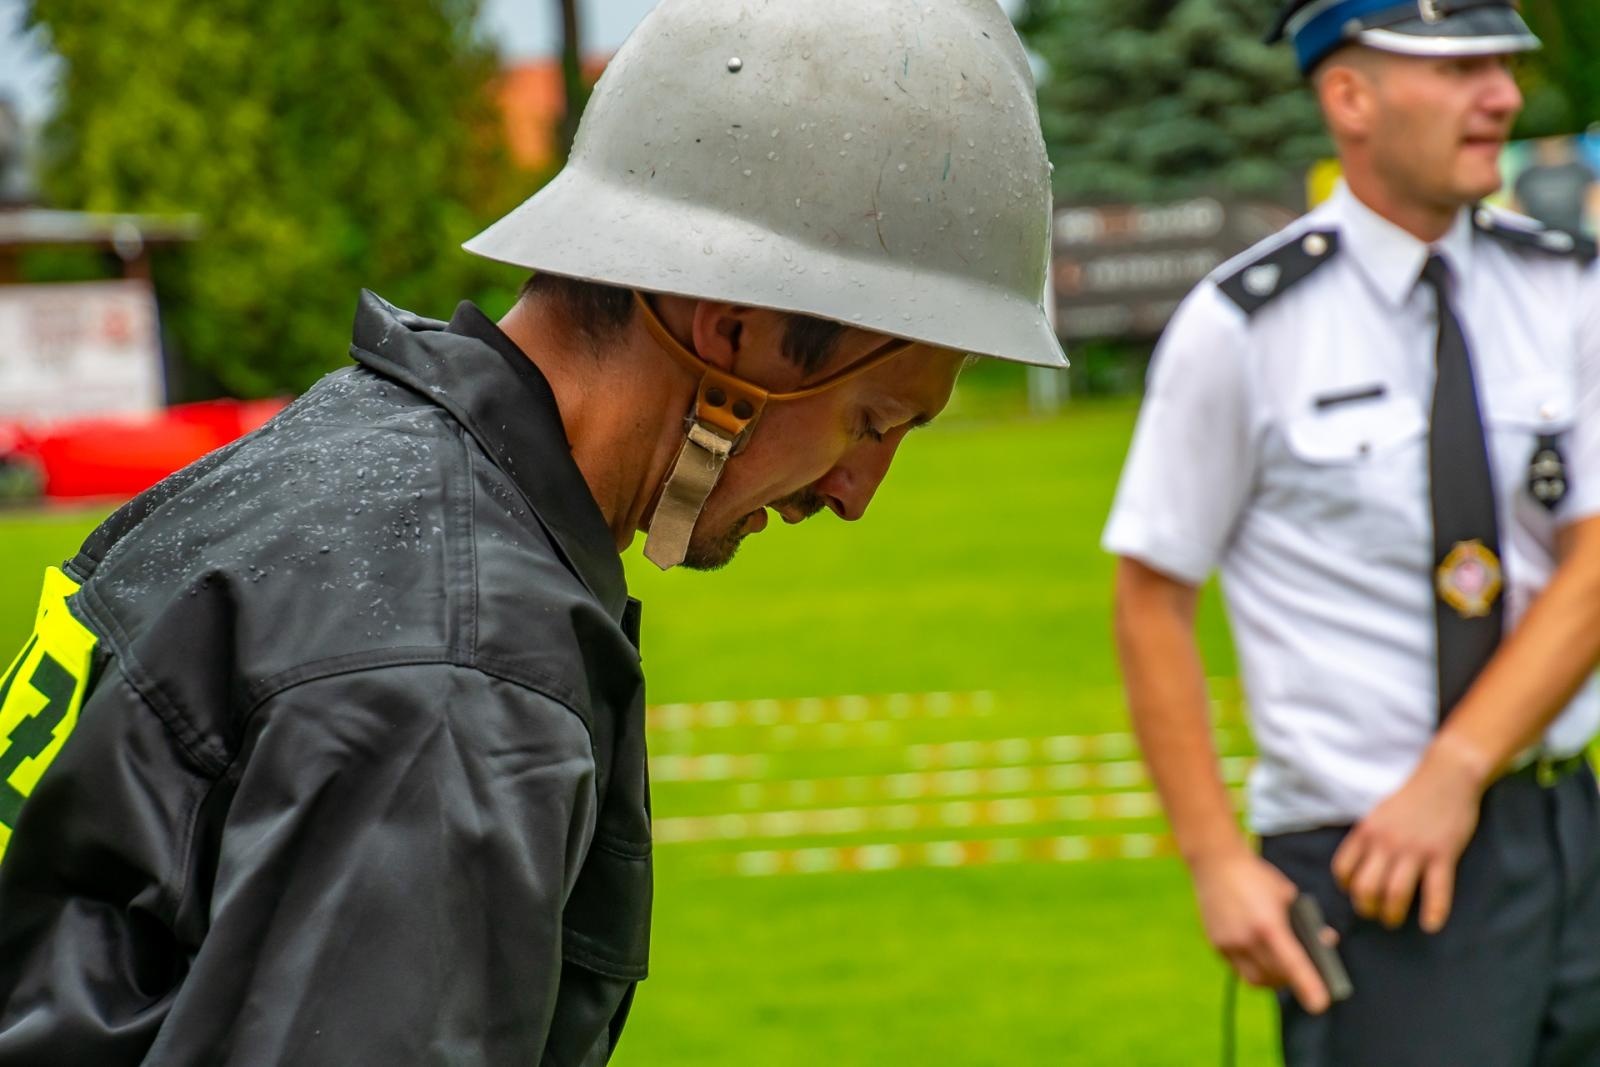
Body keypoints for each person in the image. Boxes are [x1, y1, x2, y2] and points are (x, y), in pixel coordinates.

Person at [0, 1, 1066, 1062]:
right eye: (872, 422)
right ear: (737, 331)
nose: (856, 492)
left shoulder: (339, 453)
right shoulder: (456, 675)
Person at [1103, 1, 1600, 1064]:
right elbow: (1151, 593)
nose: (1503, 96)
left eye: (1502, 65)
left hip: (1566, 827)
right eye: (1460, 67)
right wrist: (1215, 860)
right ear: (1348, 97)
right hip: (1371, 867)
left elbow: (1594, 565)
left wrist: (1456, 771)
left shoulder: (1567, 287)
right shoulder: (1242, 324)